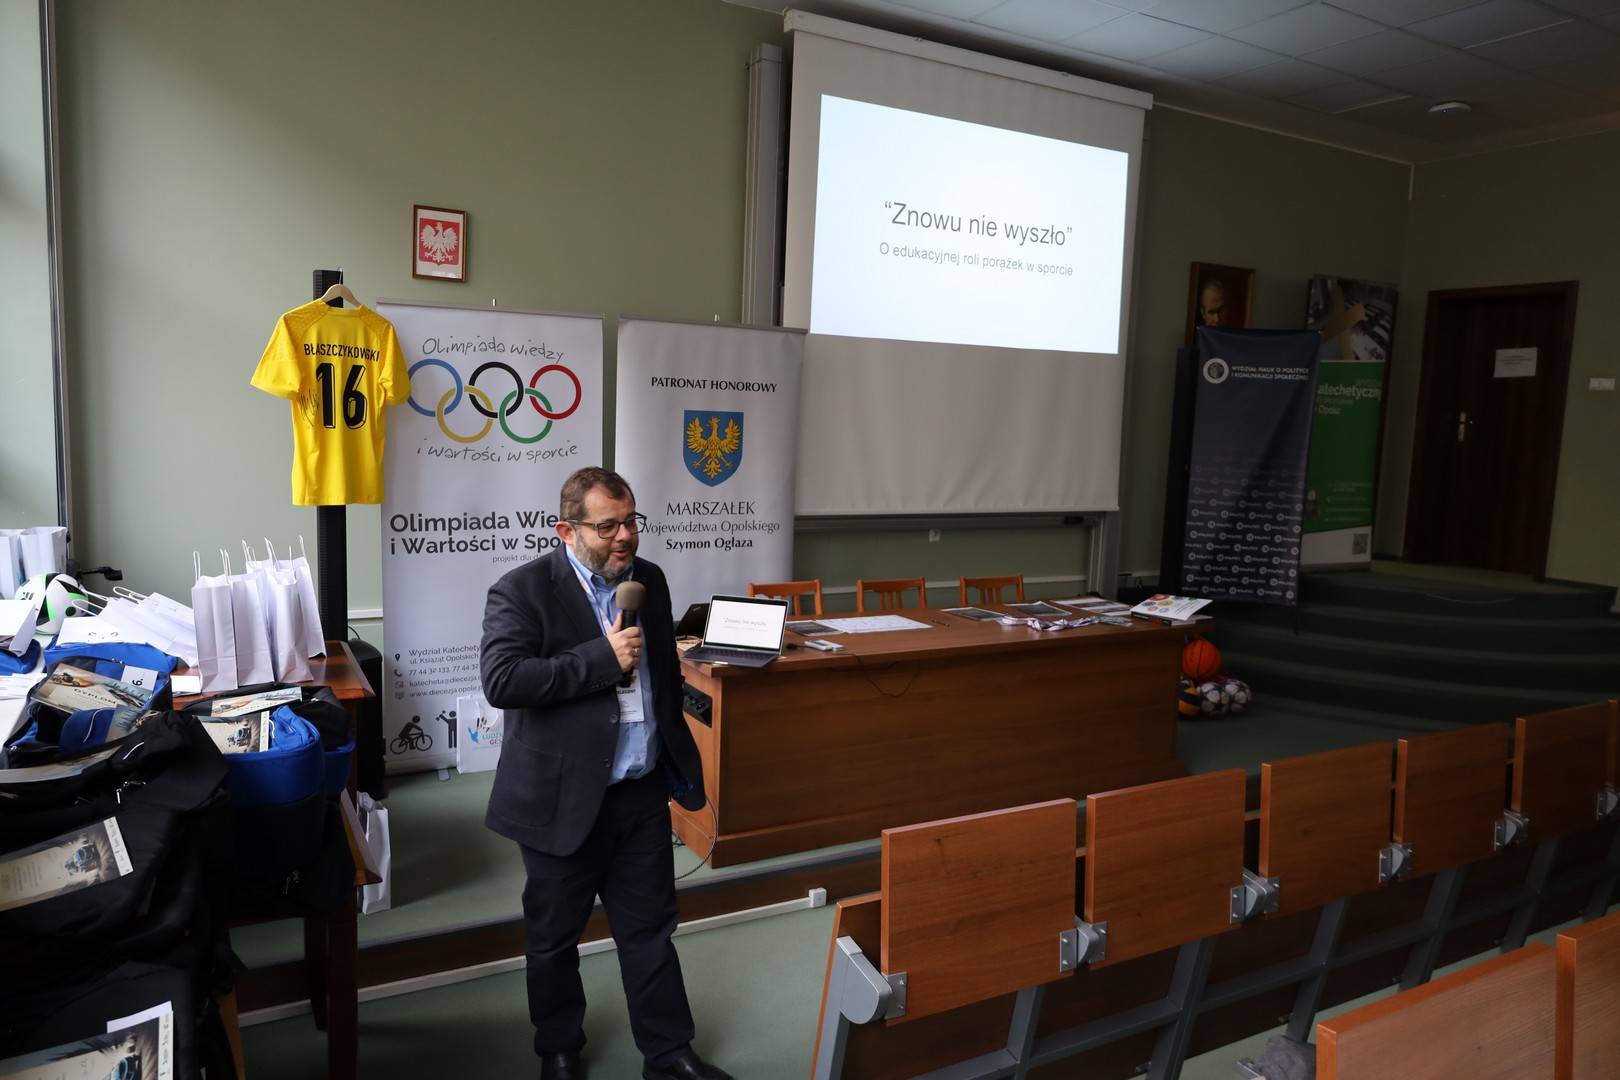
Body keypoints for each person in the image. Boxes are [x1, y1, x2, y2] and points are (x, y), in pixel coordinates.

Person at [480, 467, 732, 1080]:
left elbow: (662, 676)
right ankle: (559, 1049)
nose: (625, 537)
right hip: (562, 797)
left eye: (631, 521)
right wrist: (600, 658)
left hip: (639, 792)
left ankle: (668, 1053)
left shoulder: (649, 580)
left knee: (650, 931)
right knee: (554, 938)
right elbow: (503, 681)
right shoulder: (521, 591)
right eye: (608, 526)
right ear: (566, 530)